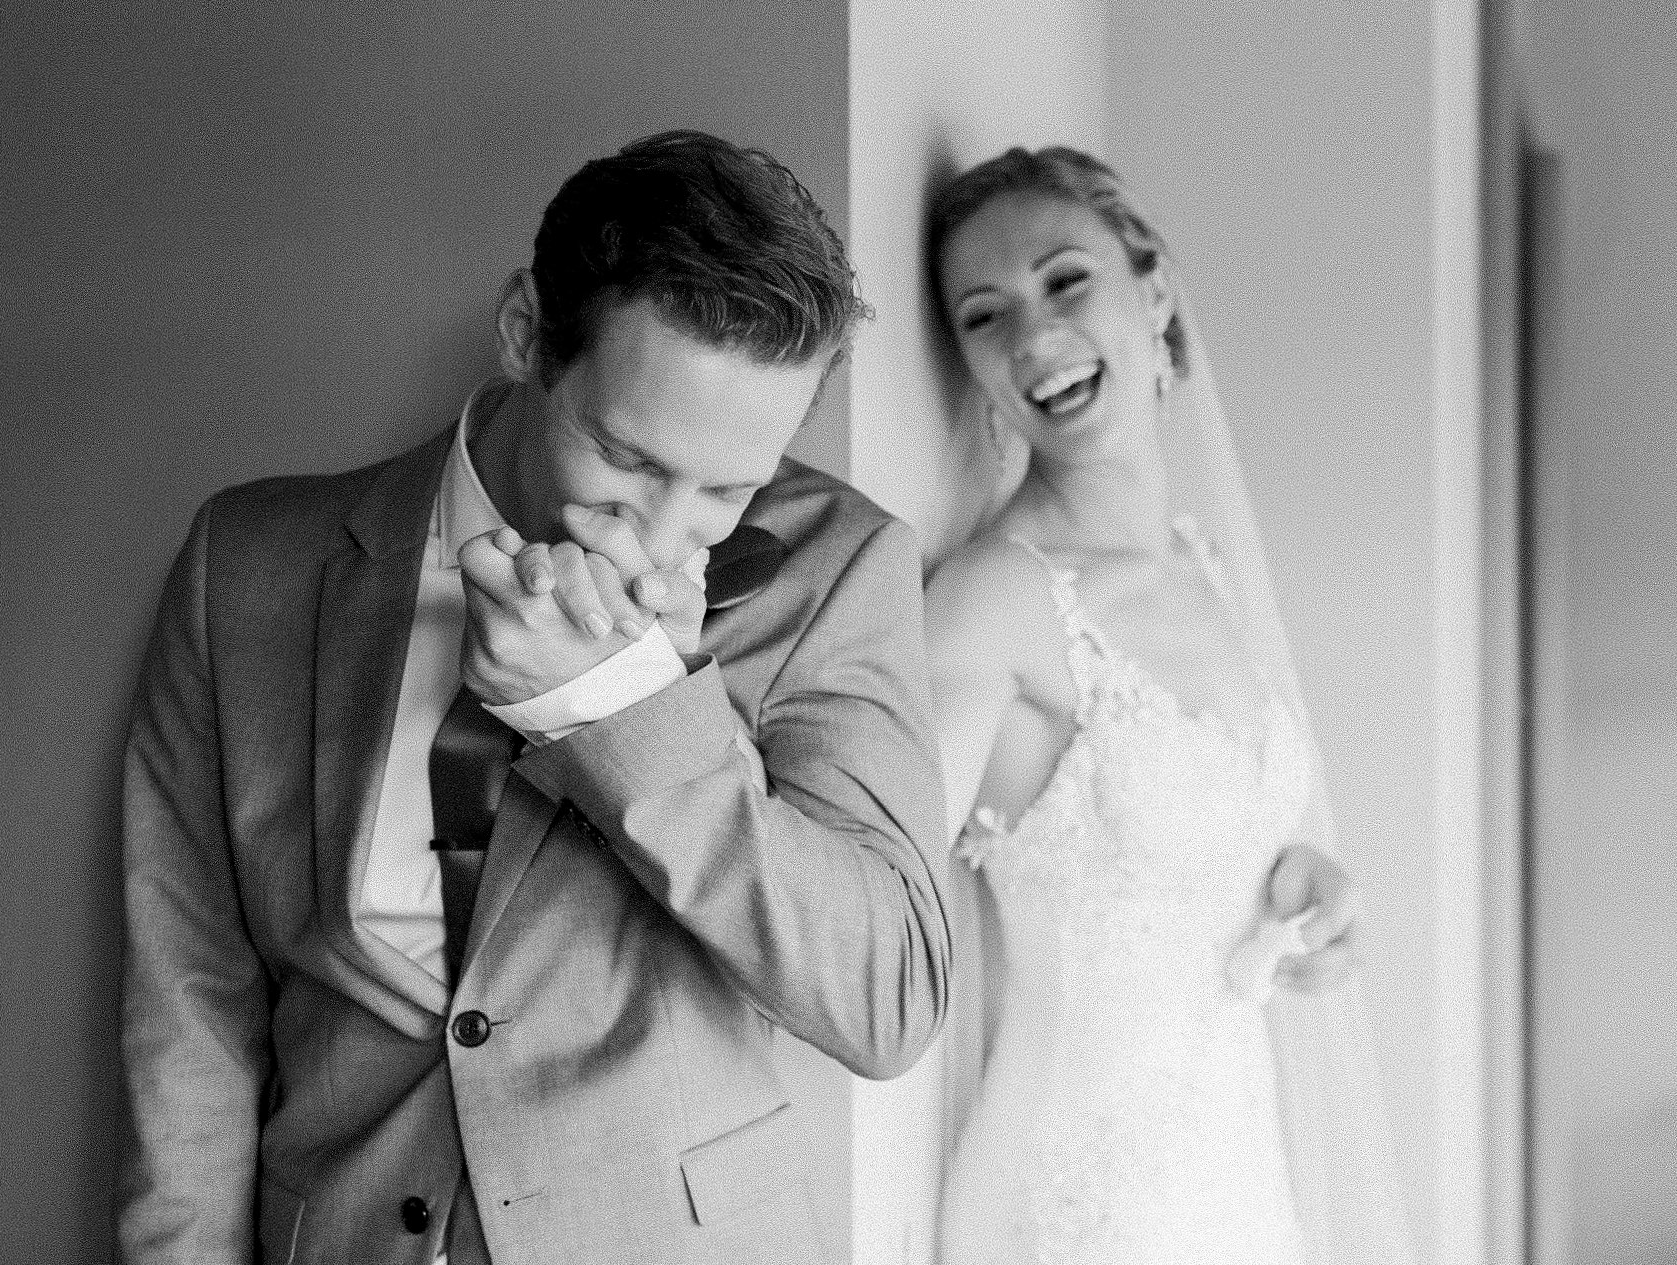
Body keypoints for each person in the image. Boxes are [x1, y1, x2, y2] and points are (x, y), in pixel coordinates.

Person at [116, 130, 952, 1265]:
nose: (663, 533)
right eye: (629, 458)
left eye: (727, 488)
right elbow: (191, 1003)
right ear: (525, 333)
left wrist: (625, 704)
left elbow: (887, 995)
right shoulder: (248, 563)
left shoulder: (834, 570)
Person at [921, 147, 1410, 1265]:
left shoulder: (1205, 569)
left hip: (1235, 1178)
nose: (1033, 338)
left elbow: (1202, 846)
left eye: (1064, 281)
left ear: (1153, 289)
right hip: (1079, 1204)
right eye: (982, 315)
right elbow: (872, 894)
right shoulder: (996, 600)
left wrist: (1303, 888)